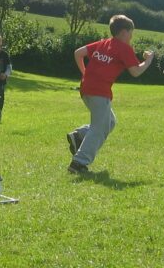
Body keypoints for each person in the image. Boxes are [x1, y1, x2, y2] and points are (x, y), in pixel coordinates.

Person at [64, 15, 154, 173]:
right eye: (131, 32)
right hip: (99, 91)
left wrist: (85, 73)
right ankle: (78, 163)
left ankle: (79, 136)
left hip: (86, 88)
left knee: (109, 121)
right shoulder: (124, 48)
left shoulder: (103, 43)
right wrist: (149, 60)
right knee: (99, 128)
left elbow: (78, 53)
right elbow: (136, 72)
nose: (132, 36)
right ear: (124, 32)